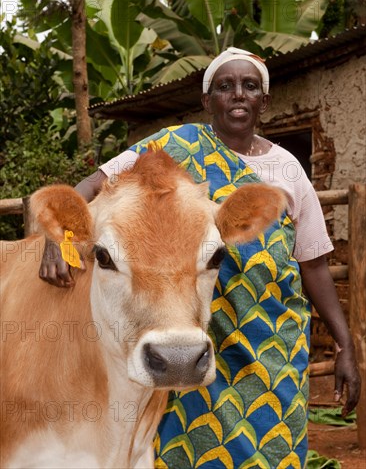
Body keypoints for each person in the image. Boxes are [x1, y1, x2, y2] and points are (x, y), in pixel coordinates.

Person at [40, 47, 360, 468]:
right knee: (191, 447)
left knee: (277, 449)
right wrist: (53, 239)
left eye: (250, 86)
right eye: (224, 87)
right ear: (206, 101)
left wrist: (343, 344)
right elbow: (91, 186)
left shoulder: (288, 171)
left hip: (273, 346)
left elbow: (314, 262)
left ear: (264, 102)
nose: (238, 95)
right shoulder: (172, 145)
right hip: (195, 331)